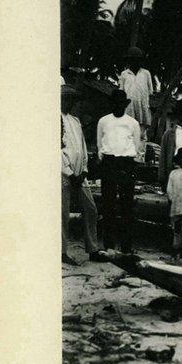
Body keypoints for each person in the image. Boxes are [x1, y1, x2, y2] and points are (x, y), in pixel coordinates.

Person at [96, 88, 142, 252]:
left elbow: (136, 145)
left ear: (125, 104)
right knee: (108, 205)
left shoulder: (133, 123)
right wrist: (107, 160)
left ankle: (126, 246)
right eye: (115, 103)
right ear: (111, 104)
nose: (118, 106)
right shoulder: (103, 121)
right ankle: (109, 245)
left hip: (126, 163)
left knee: (126, 206)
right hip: (109, 163)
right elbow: (100, 145)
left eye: (121, 103)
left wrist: (127, 161)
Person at [61, 84, 101, 264]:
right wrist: (69, 173)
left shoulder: (75, 121)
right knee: (62, 214)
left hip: (79, 173)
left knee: (91, 209)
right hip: (64, 174)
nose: (68, 103)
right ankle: (61, 251)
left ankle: (93, 248)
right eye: (65, 99)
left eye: (71, 99)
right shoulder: (54, 119)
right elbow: (57, 151)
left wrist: (84, 170)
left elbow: (83, 148)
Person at [118, 46, 154, 159]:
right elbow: (122, 92)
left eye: (138, 59)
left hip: (142, 108)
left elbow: (149, 91)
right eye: (133, 59)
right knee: (128, 133)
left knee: (142, 134)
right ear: (129, 61)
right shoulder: (124, 74)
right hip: (128, 108)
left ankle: (139, 158)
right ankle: (127, 157)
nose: (135, 62)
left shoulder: (146, 74)